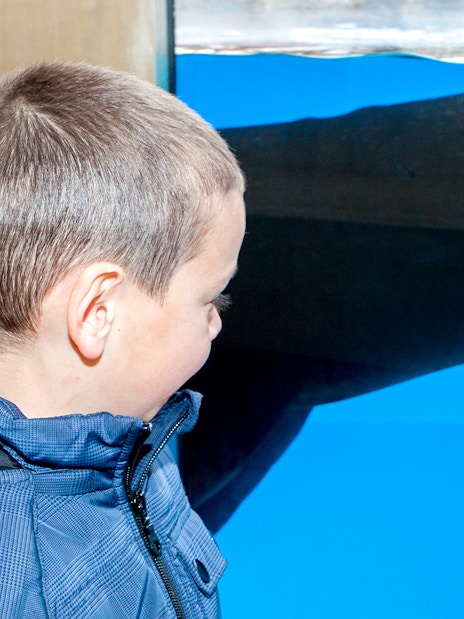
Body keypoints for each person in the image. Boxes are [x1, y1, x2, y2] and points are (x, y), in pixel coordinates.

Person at [0, 61, 245, 618]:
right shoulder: (17, 576)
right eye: (212, 299)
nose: (217, 324)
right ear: (98, 311)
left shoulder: (130, 449)